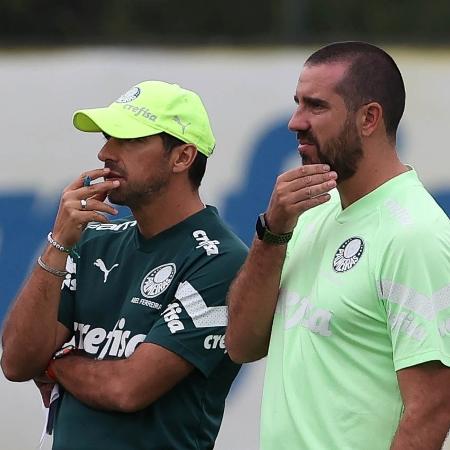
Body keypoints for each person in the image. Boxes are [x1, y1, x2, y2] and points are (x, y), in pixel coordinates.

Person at [225, 41, 450, 450]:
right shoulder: (309, 212)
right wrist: (272, 232)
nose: (295, 121)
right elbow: (241, 343)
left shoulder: (415, 235)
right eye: (297, 103)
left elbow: (431, 409)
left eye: (316, 106)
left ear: (369, 118)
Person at [1, 80, 247, 449]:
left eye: (128, 140)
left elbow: (127, 389)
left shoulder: (221, 259)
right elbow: (17, 362)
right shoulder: (93, 240)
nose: (104, 152)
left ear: (182, 157)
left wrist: (55, 364)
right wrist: (57, 244)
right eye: (107, 137)